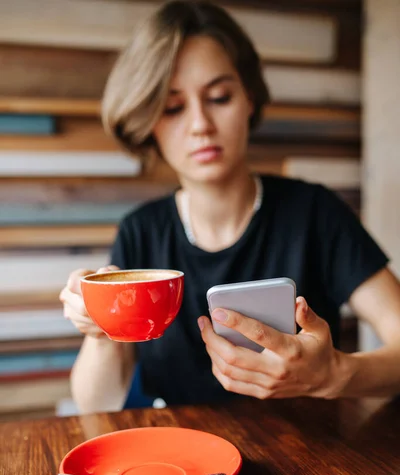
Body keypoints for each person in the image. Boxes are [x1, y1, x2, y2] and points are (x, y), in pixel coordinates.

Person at [59, 0, 400, 414]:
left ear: (250, 99)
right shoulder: (141, 232)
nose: (200, 124)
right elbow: (99, 403)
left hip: (313, 463)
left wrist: (335, 375)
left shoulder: (314, 212)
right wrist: (99, 330)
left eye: (219, 97)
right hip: (182, 466)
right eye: (173, 107)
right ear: (149, 122)